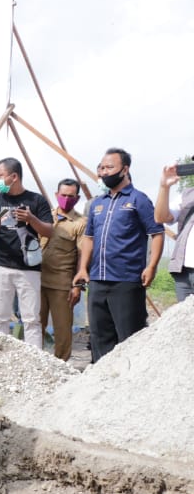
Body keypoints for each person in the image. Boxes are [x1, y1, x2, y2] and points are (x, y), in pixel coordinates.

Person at [74, 148, 164, 362]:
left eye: (109, 167)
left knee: (130, 337)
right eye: (101, 168)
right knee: (99, 336)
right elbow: (89, 238)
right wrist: (83, 269)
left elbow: (157, 233)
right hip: (97, 280)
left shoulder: (139, 200)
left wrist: (151, 266)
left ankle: (131, 382)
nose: (104, 172)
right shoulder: (97, 204)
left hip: (126, 280)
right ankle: (102, 384)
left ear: (125, 169)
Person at [0, 157, 53, 349]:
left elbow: (49, 231)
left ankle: (34, 362)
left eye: (0, 176)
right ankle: (0, 361)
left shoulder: (36, 200)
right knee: (0, 319)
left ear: (13, 177)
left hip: (28, 267)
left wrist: (31, 219)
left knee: (31, 320)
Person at [39, 179, 87, 360]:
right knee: (36, 326)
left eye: (70, 196)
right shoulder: (44, 216)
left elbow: (83, 255)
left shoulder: (81, 223)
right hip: (38, 280)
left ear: (77, 198)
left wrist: (77, 286)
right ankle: (35, 363)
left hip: (62, 283)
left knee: (62, 329)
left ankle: (61, 365)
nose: (66, 199)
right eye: (63, 195)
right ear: (56, 195)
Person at [153, 161, 194, 302]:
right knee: (184, 322)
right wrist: (164, 187)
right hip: (184, 273)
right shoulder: (188, 194)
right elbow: (160, 217)